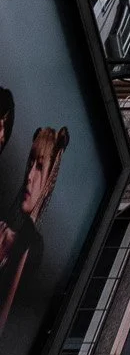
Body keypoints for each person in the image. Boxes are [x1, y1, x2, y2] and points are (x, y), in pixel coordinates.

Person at [0, 125, 69, 331]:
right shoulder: (5, 229)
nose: (29, 176)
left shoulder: (33, 246)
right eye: (30, 163)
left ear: (50, 180)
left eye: (39, 167)